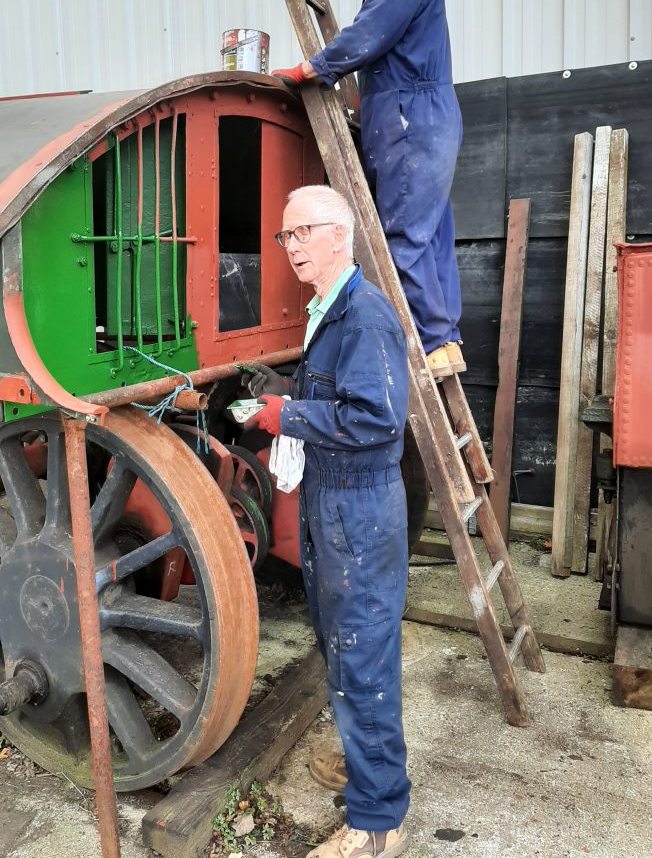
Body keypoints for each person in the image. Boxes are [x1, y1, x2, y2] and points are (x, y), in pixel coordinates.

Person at [245, 185, 411, 858]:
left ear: (339, 234)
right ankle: (372, 772)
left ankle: (379, 827)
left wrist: (284, 417)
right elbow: (337, 396)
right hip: (333, 500)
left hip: (358, 506)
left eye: (301, 233)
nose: (290, 249)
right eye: (285, 237)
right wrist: (276, 393)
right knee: (344, 650)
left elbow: (377, 418)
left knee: (362, 657)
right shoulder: (328, 309)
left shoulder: (364, 315)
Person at [272, 0, 464, 379]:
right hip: (416, 118)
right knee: (431, 233)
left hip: (411, 119)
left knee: (401, 238)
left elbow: (372, 31)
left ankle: (426, 345)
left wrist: (314, 68)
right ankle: (445, 342)